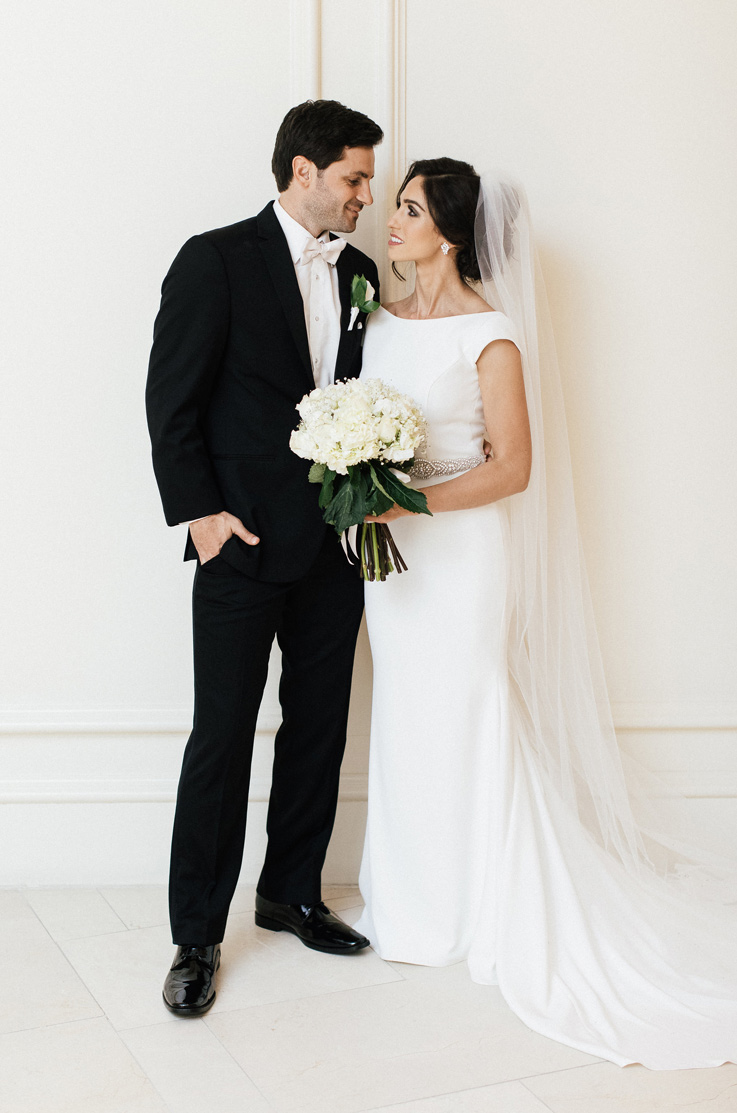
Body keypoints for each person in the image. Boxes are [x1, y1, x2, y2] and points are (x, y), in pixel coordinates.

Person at [354, 158, 737, 1068]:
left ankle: (484, 901)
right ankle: (411, 903)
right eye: (395, 204)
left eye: (408, 208)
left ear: (447, 231)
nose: (394, 222)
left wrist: (410, 504)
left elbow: (512, 467)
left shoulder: (491, 333)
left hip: (460, 557)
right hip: (392, 568)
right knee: (408, 717)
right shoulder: (374, 321)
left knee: (470, 707)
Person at [145, 100, 383, 1017]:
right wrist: (201, 516)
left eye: (368, 180)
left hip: (333, 545)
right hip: (237, 544)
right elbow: (171, 399)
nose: (365, 195)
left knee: (319, 726)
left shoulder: (360, 271)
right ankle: (196, 934)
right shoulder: (214, 259)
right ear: (301, 172)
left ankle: (291, 893)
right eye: (354, 178)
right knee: (221, 736)